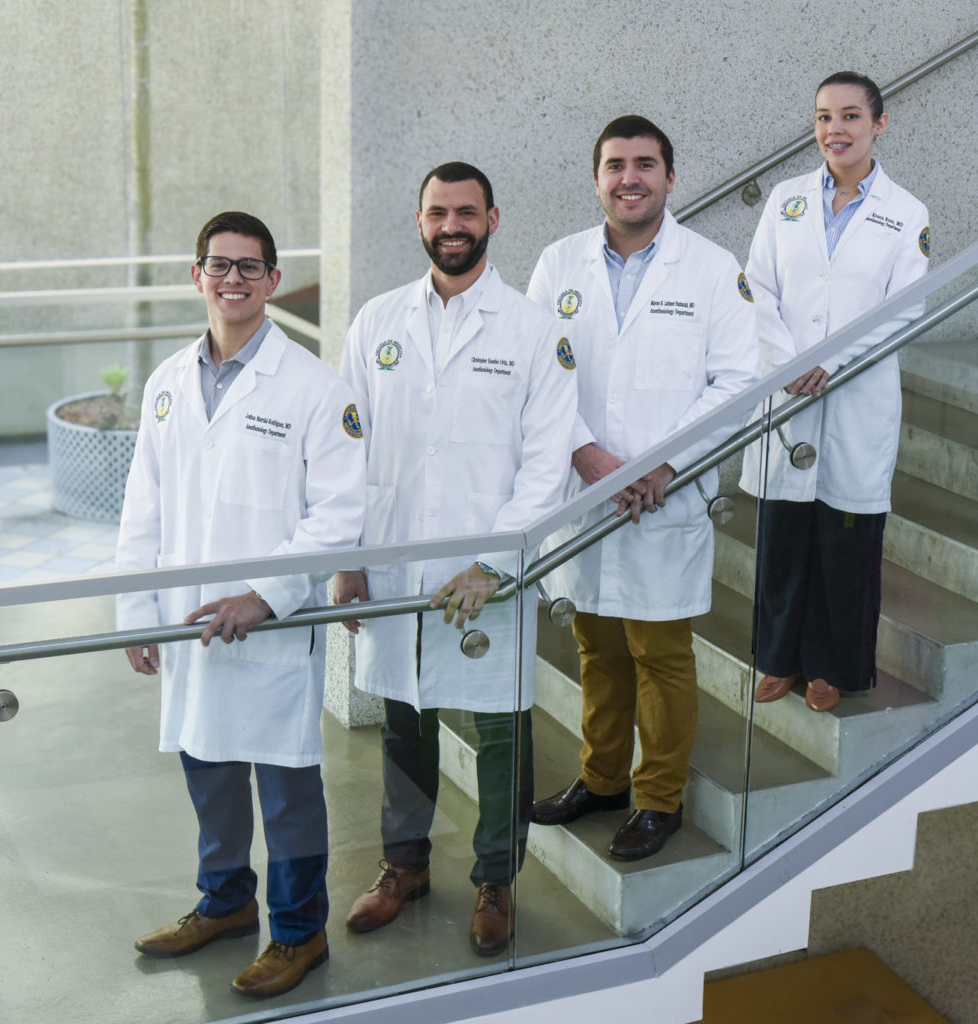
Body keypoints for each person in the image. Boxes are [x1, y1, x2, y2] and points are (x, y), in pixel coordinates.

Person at [116, 211, 366, 998]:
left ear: (273, 280)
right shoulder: (166, 384)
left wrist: (266, 596)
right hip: (190, 621)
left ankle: (299, 932)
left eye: (249, 267)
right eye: (219, 265)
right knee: (208, 768)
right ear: (196, 276)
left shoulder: (315, 388)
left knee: (287, 787)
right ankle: (225, 904)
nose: (233, 279)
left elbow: (340, 512)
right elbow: (143, 506)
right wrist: (137, 611)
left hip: (272, 631)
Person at [334, 162, 576, 956]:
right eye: (438, 212)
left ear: (493, 220)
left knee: (502, 725)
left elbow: (546, 464)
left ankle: (495, 880)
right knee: (404, 718)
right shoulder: (377, 321)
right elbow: (344, 447)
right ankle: (403, 866)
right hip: (397, 561)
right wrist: (348, 558)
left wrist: (493, 563)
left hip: (488, 571)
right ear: (419, 221)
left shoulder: (533, 330)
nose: (451, 226)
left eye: (466, 212)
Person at [527, 116, 757, 861]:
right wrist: (587, 454)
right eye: (616, 165)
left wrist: (664, 464)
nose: (630, 177)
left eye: (645, 164)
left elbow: (738, 380)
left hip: (666, 494)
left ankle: (659, 798)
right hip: (586, 489)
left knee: (660, 651)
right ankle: (602, 780)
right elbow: (536, 374)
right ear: (597, 179)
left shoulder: (712, 268)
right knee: (596, 645)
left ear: (670, 177)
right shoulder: (559, 263)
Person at [742, 72, 930, 714]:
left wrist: (831, 363)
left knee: (845, 542)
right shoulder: (786, 200)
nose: (835, 129)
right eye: (824, 116)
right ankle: (780, 658)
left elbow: (905, 309)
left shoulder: (906, 213)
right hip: (789, 389)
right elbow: (755, 288)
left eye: (850, 116)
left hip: (855, 394)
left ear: (880, 124)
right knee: (784, 535)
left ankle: (831, 666)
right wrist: (789, 362)